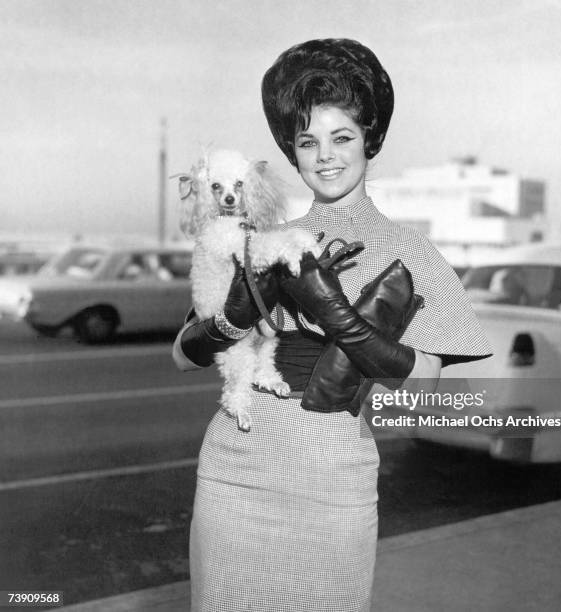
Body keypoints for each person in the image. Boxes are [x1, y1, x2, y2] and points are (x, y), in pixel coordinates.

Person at [173, 38, 492, 612]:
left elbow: (425, 383)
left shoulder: (415, 254)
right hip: (233, 473)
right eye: (307, 141)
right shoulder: (260, 239)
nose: (324, 156)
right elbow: (183, 352)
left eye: (341, 137)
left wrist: (335, 315)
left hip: (330, 475)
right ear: (291, 152)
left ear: (370, 138)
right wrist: (242, 310)